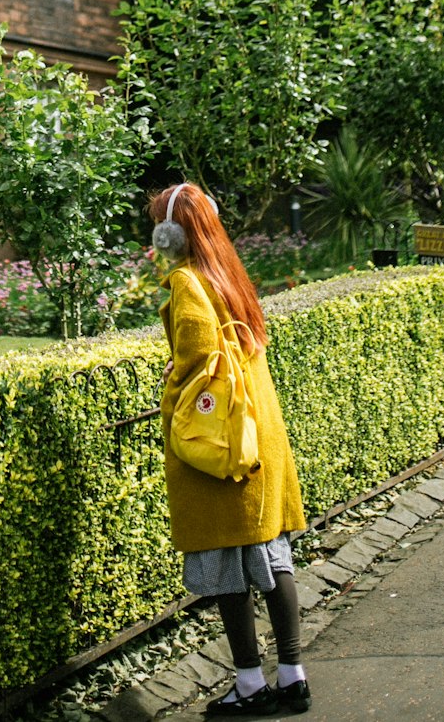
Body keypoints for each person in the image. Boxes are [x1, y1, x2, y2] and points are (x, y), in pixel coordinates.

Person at [150, 182, 311, 716]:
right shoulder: (230, 273)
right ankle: (293, 676)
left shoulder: (186, 281)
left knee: (226, 565)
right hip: (257, 430)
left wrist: (171, 394)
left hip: (222, 441)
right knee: (270, 556)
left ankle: (249, 684)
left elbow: (197, 363)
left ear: (169, 234)